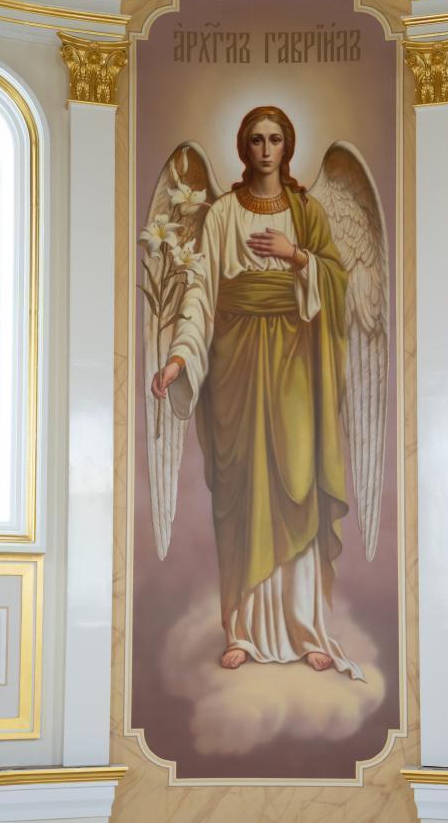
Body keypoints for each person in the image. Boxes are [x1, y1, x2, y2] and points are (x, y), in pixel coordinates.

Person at [152, 106, 362, 679]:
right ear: (243, 147)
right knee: (243, 493)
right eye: (255, 140)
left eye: (274, 140)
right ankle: (242, 629)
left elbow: (339, 284)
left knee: (297, 485)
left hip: (294, 360)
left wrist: (297, 256)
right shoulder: (222, 214)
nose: (265, 149)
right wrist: (179, 357)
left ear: (286, 146)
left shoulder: (307, 211)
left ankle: (304, 628)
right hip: (236, 365)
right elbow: (200, 292)